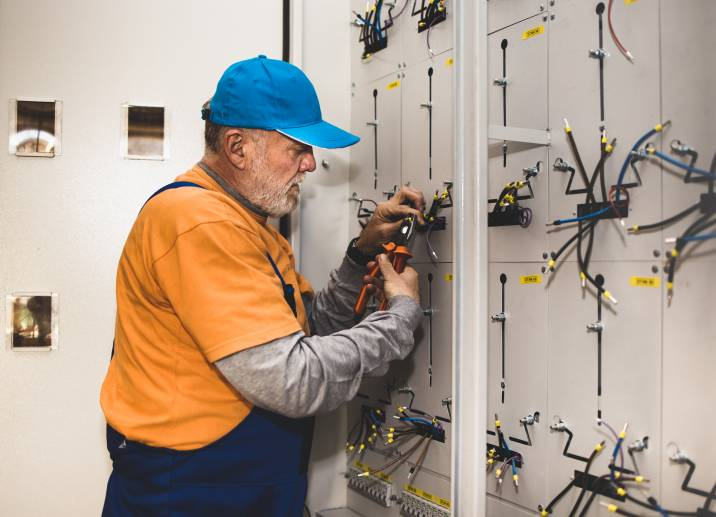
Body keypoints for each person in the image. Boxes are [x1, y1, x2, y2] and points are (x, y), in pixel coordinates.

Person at [99, 55, 426, 516]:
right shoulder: (198, 223)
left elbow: (306, 330)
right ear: (237, 147)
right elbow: (292, 378)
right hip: (190, 495)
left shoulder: (247, 223)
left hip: (239, 488)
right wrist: (399, 319)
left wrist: (361, 252)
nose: (311, 164)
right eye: (298, 148)